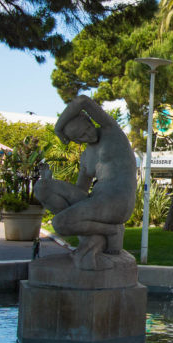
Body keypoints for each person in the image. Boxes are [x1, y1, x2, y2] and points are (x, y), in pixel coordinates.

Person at [34, 95, 137, 270]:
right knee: (41, 188)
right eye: (80, 137)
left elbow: (82, 101)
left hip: (117, 201)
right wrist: (50, 181)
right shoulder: (86, 157)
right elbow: (79, 192)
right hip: (97, 201)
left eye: (87, 129)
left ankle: (111, 231)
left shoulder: (111, 131)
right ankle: (100, 234)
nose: (87, 136)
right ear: (75, 141)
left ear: (91, 122)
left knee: (59, 223)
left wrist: (58, 128)